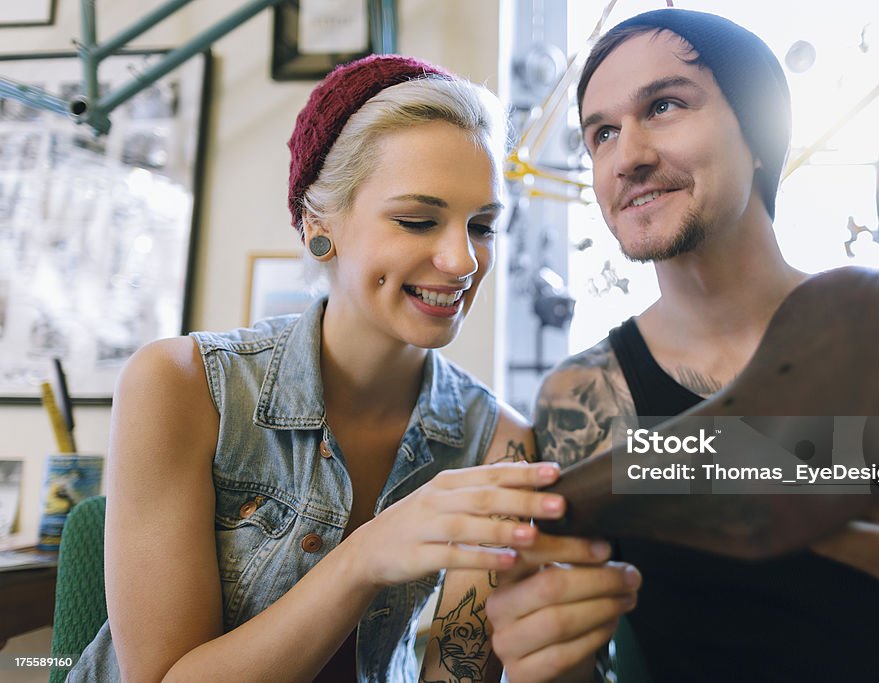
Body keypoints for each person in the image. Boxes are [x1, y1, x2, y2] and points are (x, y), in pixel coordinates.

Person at [486, 8, 879, 682]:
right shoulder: (582, 399)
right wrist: (548, 661)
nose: (627, 156)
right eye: (601, 133)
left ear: (761, 129)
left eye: (664, 105)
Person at [67, 55, 619, 683]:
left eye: (483, 226)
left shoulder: (500, 444)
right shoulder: (181, 386)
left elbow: (457, 672)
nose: (462, 259)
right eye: (418, 220)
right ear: (316, 225)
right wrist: (365, 557)